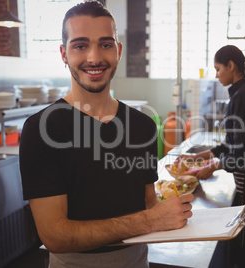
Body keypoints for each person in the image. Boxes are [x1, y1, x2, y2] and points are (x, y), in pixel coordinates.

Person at [19, 1, 194, 267]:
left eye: (105, 44)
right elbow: (54, 235)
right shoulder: (42, 130)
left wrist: (177, 214)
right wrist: (149, 221)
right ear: (63, 53)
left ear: (118, 50)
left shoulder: (142, 126)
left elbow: (148, 203)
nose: (94, 57)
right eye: (80, 45)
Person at [177, 45, 245, 267]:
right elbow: (232, 143)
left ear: (231, 66)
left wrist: (213, 166)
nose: (216, 75)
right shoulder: (242, 92)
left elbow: (244, 154)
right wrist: (199, 157)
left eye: (218, 69)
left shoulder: (243, 96)